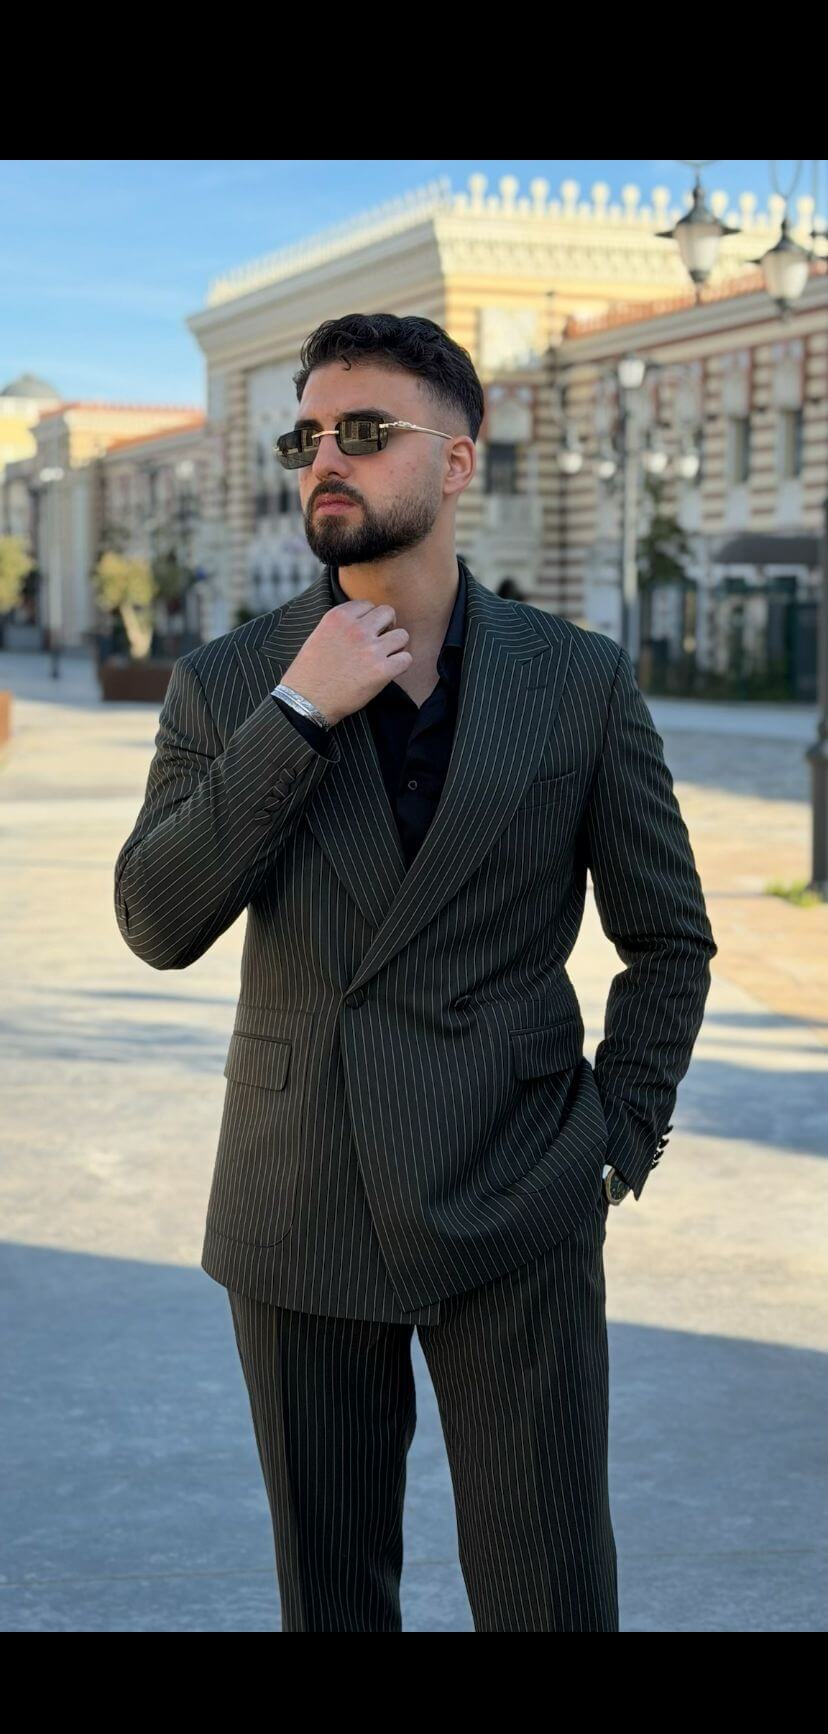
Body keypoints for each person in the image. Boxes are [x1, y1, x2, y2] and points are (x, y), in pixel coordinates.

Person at [114, 311, 717, 1632]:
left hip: (516, 1185)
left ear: (458, 465)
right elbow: (157, 919)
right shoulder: (229, 683)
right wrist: (296, 716)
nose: (325, 458)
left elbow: (668, 937)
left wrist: (613, 1138)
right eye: (307, 436)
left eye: (365, 432)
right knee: (333, 1600)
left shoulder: (578, 683)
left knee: (548, 1594)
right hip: (298, 1194)